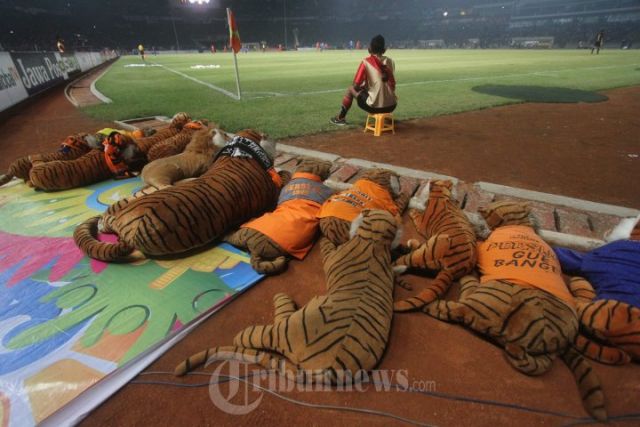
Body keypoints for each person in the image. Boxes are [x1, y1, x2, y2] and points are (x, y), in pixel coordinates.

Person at [330, 34, 397, 126]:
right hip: (392, 106)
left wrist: (360, 91)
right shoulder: (391, 61)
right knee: (381, 90)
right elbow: (388, 82)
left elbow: (356, 85)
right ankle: (387, 117)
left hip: (375, 108)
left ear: (371, 48)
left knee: (351, 89)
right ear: (383, 49)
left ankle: (340, 118)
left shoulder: (366, 62)